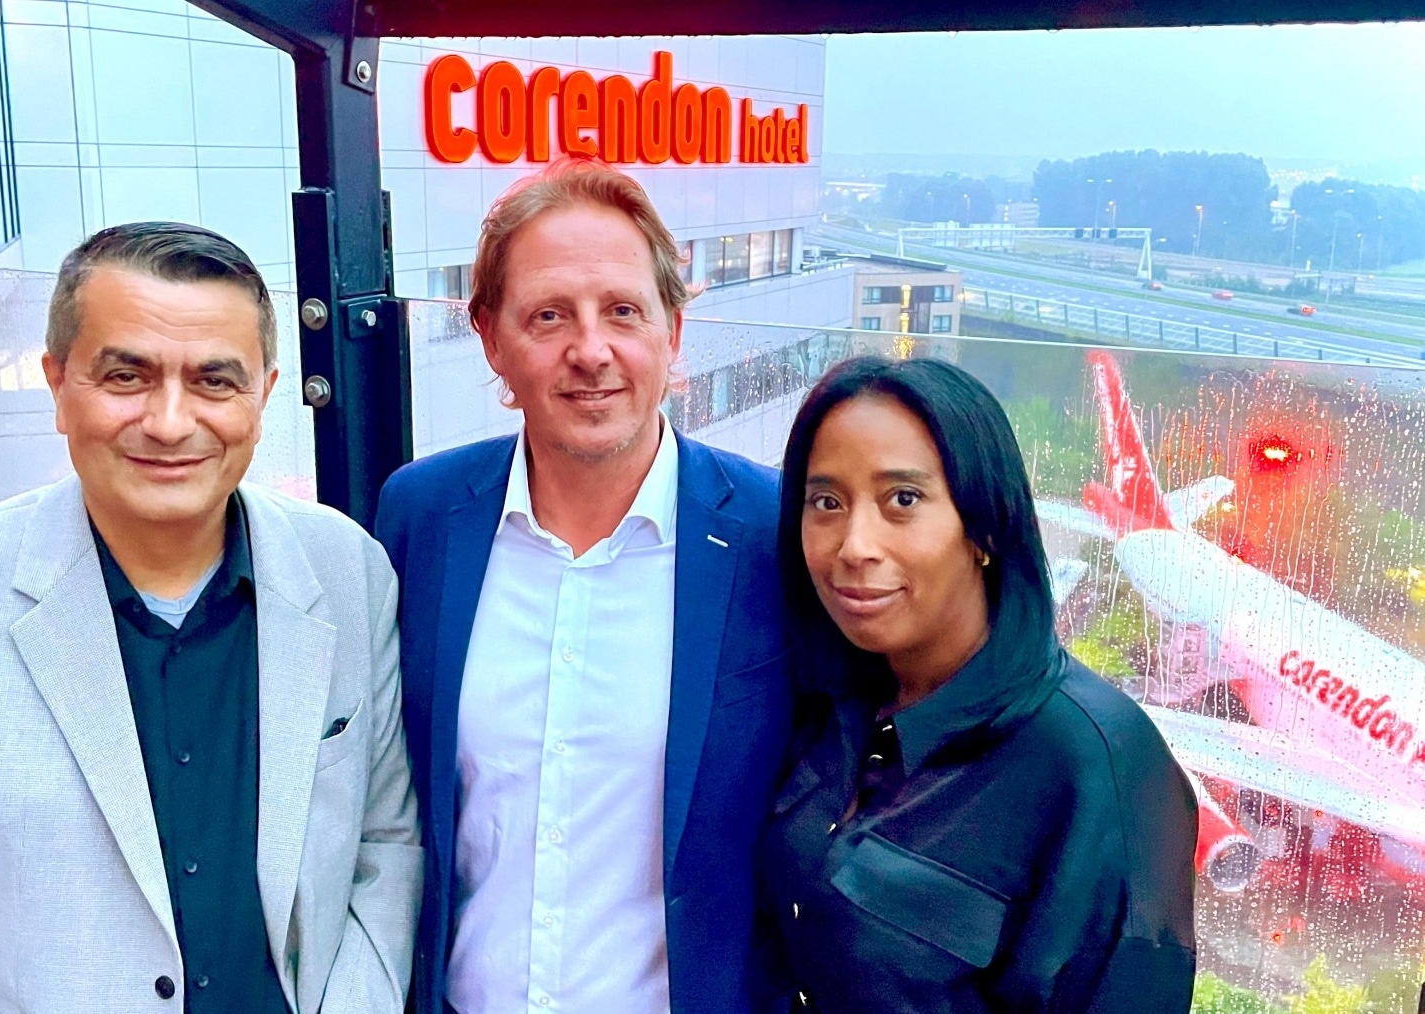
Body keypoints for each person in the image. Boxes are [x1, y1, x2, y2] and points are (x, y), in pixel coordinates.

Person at [0, 222, 422, 1013]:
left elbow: (384, 851)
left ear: (263, 396)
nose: (170, 422)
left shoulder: (347, 571)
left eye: (215, 380)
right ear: (57, 384)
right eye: (126, 376)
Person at [375, 158, 791, 1014]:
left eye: (624, 311)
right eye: (549, 315)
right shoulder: (422, 516)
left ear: (673, 331)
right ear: (491, 338)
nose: (591, 351)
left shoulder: (769, 532)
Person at [760, 355, 1197, 1013]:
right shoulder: (833, 699)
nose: (852, 545)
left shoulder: (1100, 766)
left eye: (902, 500)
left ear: (984, 528)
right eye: (826, 502)